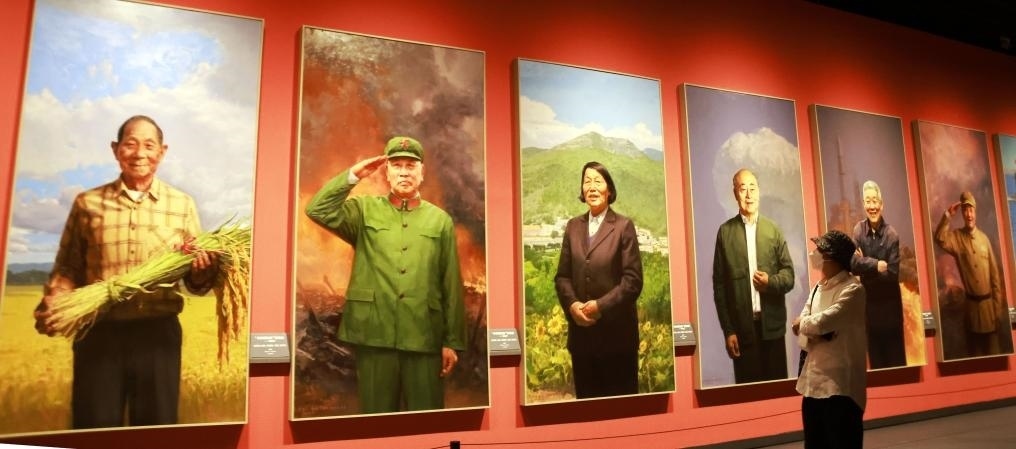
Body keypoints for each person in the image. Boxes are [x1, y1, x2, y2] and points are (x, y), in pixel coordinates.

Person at [33, 115, 216, 428]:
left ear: (162, 152)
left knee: (156, 431)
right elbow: (68, 266)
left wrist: (202, 271)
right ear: (116, 149)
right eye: (130, 144)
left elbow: (194, 280)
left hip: (158, 334)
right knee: (94, 429)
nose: (139, 153)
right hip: (97, 332)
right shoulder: (88, 203)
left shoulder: (182, 204)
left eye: (149, 145)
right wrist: (58, 299)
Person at [305, 136, 466, 413]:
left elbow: (450, 283)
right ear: (387, 173)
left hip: (424, 334)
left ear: (422, 172)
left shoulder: (440, 221)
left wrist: (451, 342)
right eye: (397, 165)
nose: (404, 172)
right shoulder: (363, 211)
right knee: (376, 417)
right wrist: (354, 175)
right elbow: (317, 209)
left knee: (428, 417)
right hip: (374, 333)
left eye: (410, 166)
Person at [554, 161, 643, 399]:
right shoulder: (573, 226)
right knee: (587, 409)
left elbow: (633, 281)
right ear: (582, 190)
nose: (592, 187)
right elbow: (562, 277)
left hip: (617, 340)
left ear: (609, 190)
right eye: (587, 181)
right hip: (582, 340)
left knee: (620, 410)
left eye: (597, 181)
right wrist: (573, 305)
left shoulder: (623, 226)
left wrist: (600, 306)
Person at [712, 168, 795, 384]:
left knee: (777, 393)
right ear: (735, 193)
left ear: (759, 191)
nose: (748, 195)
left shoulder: (773, 230)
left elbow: (789, 276)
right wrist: (728, 331)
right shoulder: (725, 233)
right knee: (749, 394)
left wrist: (770, 282)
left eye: (753, 188)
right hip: (742, 332)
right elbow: (719, 287)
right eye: (743, 189)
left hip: (773, 330)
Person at [793, 230, 867, 449]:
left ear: (833, 257)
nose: (815, 254)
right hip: (813, 382)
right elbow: (807, 320)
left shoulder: (853, 289)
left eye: (821, 251)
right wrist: (811, 327)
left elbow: (825, 320)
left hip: (840, 386)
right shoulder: (817, 288)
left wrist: (807, 325)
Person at [934, 191, 1006, 357]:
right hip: (972, 313)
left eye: (971, 210)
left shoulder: (984, 239)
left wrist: (996, 311)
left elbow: (995, 278)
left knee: (994, 355)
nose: (969, 214)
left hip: (989, 311)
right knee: (976, 357)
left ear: (975, 211)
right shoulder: (957, 238)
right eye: (965, 210)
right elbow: (940, 238)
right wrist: (947, 216)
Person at [850, 180, 906, 369]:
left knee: (897, 367)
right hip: (870, 313)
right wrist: (876, 265)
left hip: (891, 313)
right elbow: (853, 265)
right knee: (877, 368)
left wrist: (865, 268)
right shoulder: (858, 231)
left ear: (882, 205)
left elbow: (892, 274)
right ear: (863, 204)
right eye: (868, 201)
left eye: (875, 201)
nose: (872, 206)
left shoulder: (892, 235)